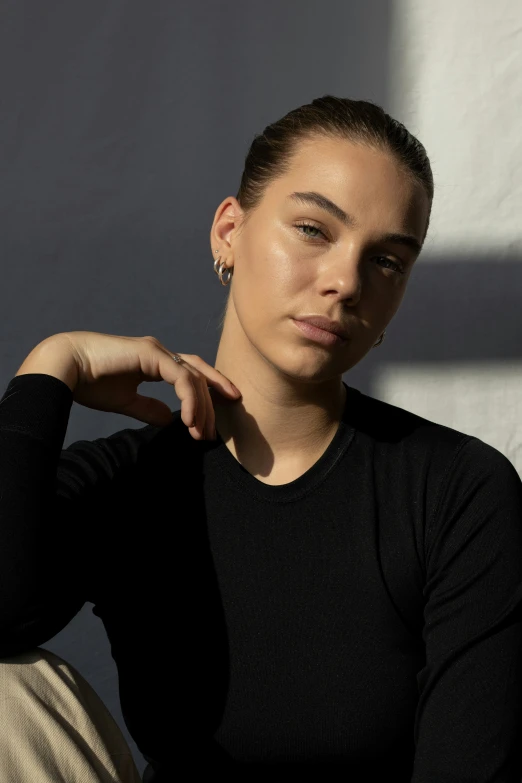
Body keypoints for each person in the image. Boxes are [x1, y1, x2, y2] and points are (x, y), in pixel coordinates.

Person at [1, 95, 521, 783]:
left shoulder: (456, 490)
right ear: (228, 232)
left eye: (388, 262)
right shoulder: (128, 482)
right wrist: (49, 368)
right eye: (313, 228)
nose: (344, 282)